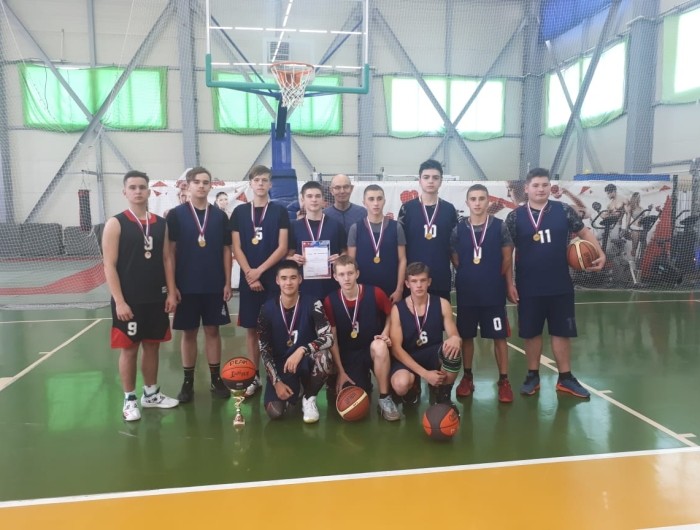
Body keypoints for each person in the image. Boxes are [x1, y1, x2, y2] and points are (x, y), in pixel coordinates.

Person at [505, 167, 606, 399]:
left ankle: (565, 378)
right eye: (536, 185)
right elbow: (507, 253)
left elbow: (585, 233)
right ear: (527, 189)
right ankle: (532, 375)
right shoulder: (515, 217)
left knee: (562, 331)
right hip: (528, 285)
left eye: (545, 185)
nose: (541, 189)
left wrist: (600, 253)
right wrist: (509, 283)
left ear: (550, 187)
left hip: (560, 284)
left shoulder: (564, 210)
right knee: (531, 332)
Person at [103, 170, 179, 421]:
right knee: (129, 349)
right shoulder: (116, 223)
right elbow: (109, 265)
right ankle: (129, 399)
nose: (138, 191)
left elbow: (167, 259)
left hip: (156, 297)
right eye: (133, 187)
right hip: (129, 300)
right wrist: (120, 301)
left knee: (153, 345)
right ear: (124, 192)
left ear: (149, 191)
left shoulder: (161, 223)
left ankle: (151, 394)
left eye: (142, 187)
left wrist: (171, 292)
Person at [166, 166, 232, 403]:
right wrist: (172, 287)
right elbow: (169, 253)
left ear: (211, 186)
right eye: (197, 182)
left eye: (206, 182)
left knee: (213, 331)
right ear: (188, 185)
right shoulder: (176, 215)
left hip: (214, 285)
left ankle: (215, 378)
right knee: (189, 333)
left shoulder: (220, 216)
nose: (202, 186)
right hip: (186, 286)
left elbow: (226, 250)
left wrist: (227, 282)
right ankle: (188, 382)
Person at [451, 184, 515, 403]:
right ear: (467, 202)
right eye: (473, 199)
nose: (477, 203)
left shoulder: (499, 226)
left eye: (481, 198)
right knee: (466, 336)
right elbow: (455, 258)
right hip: (467, 293)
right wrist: (470, 274)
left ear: (488, 201)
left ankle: (504, 380)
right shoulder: (458, 229)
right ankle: (467, 377)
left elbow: (507, 258)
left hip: (493, 292)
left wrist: (495, 278)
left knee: (499, 336)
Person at [230, 165, 289, 397]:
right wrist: (249, 273)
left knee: (277, 328)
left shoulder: (279, 211)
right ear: (251, 184)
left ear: (270, 184)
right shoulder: (239, 212)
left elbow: (282, 247)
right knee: (252, 330)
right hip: (249, 281)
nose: (261, 184)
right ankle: (254, 376)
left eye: (265, 180)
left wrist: (259, 271)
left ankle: (278, 374)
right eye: (257, 180)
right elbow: (236, 247)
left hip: (273, 280)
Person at [323, 256, 400, 421]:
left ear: (357, 273)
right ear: (335, 277)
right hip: (349, 354)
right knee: (355, 395)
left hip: (371, 348)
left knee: (380, 346)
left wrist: (385, 333)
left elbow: (392, 314)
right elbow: (332, 337)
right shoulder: (330, 301)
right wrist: (341, 371)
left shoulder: (375, 293)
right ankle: (363, 378)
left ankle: (384, 397)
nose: (346, 278)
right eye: (342, 274)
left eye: (350, 273)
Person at [257, 259, 334, 423]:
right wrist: (276, 382)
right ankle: (295, 388)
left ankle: (309, 397)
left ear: (300, 279)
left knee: (324, 357)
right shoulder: (266, 309)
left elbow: (328, 337)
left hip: (305, 360)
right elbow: (264, 349)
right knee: (275, 413)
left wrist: (302, 350)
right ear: (277, 281)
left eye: (293, 277)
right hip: (281, 365)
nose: (288, 282)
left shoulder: (313, 303)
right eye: (284, 278)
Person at [389, 262, 462, 406]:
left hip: (432, 353)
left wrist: (455, 338)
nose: (419, 285)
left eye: (422, 280)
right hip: (408, 355)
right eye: (414, 281)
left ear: (429, 282)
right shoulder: (397, 309)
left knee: (453, 350)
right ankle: (413, 387)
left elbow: (454, 335)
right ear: (407, 284)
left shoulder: (442, 303)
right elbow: (396, 349)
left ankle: (443, 392)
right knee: (400, 385)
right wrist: (425, 374)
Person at [398, 160, 458, 301]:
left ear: (441, 181)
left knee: (440, 314)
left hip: (440, 278)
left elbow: (454, 246)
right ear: (419, 180)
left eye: (435, 177)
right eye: (426, 177)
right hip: (413, 279)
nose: (431, 181)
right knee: (412, 315)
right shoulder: (407, 209)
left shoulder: (449, 209)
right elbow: (400, 247)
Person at [347, 184, 406, 303]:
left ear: (384, 201)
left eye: (379, 199)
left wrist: (399, 289)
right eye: (371, 199)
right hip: (363, 289)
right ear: (364, 203)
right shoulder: (356, 228)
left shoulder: (396, 227)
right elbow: (351, 262)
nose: (376, 203)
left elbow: (402, 260)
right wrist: (354, 289)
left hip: (391, 290)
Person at [289, 181, 347, 302]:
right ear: (303, 200)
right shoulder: (294, 226)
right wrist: (293, 258)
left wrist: (340, 259)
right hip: (304, 287)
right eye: (309, 196)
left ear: (323, 200)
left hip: (332, 287)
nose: (314, 200)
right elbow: (288, 255)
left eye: (317, 196)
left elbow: (345, 253)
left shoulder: (336, 226)